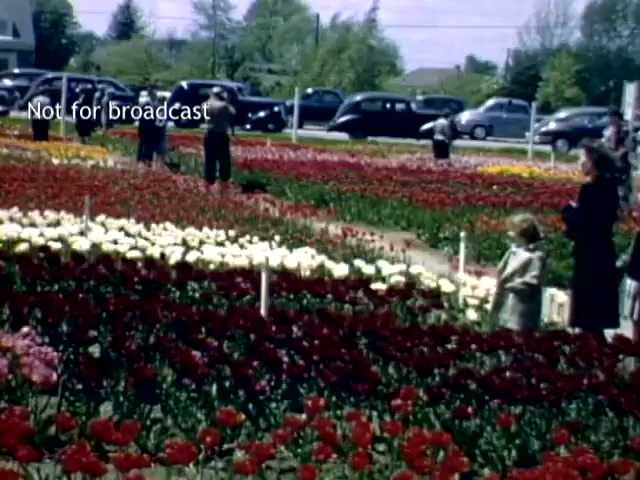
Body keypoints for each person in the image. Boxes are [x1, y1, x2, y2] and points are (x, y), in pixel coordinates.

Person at [562, 140, 621, 342]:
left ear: (593, 162)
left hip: (590, 254)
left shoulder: (591, 189)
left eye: (583, 158)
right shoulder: (609, 186)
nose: (580, 163)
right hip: (603, 251)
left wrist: (569, 213)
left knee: (589, 310)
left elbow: (585, 225)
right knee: (596, 312)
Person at [489, 213, 545, 332]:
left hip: (521, 305)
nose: (510, 234)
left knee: (517, 331)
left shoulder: (535, 256)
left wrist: (510, 286)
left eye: (513, 231)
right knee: (502, 327)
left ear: (523, 235)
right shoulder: (514, 249)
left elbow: (532, 281)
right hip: (506, 300)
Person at [203, 86, 235, 195]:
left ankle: (209, 181)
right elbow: (232, 113)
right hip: (221, 134)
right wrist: (227, 100)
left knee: (210, 159)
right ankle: (224, 180)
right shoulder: (224, 106)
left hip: (209, 133)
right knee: (223, 159)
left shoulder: (206, 104)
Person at [603, 107, 636, 211]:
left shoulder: (626, 131)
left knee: (623, 193)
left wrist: (617, 154)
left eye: (612, 117)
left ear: (617, 117)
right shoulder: (608, 131)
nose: (610, 120)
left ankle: (627, 215)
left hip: (623, 166)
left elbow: (628, 147)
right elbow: (604, 145)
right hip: (611, 166)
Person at [137, 86, 166, 168]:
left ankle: (148, 162)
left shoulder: (156, 104)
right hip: (147, 129)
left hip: (153, 129)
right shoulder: (146, 105)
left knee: (150, 148)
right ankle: (143, 162)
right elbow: (142, 119)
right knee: (145, 147)